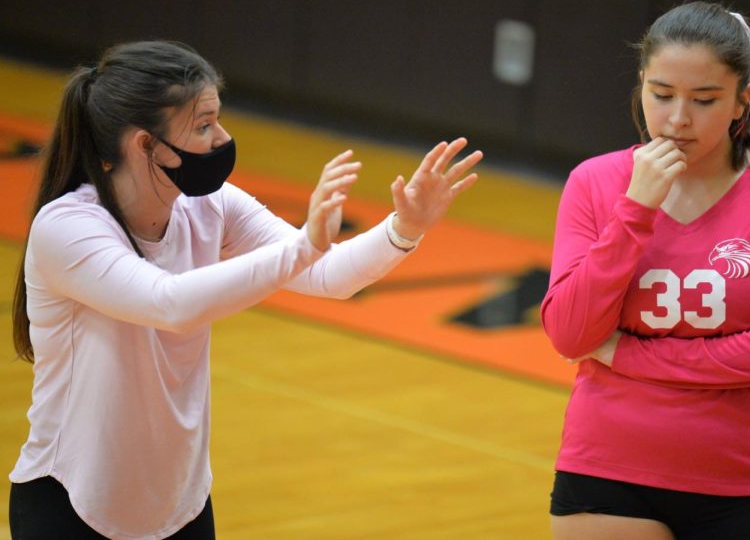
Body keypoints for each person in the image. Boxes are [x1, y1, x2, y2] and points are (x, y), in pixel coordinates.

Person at [7, 40, 482, 539]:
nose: (222, 139)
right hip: (69, 504)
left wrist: (404, 229)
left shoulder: (211, 206)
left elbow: (330, 274)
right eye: (204, 126)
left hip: (180, 506)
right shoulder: (68, 227)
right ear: (145, 144)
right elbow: (166, 303)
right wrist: (303, 246)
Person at [541, 1, 750, 540]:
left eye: (704, 100)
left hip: (746, 479)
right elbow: (569, 333)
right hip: (607, 472)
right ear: (641, 85)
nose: (677, 119)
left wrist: (631, 354)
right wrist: (636, 209)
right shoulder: (595, 182)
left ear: (744, 100)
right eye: (661, 94)